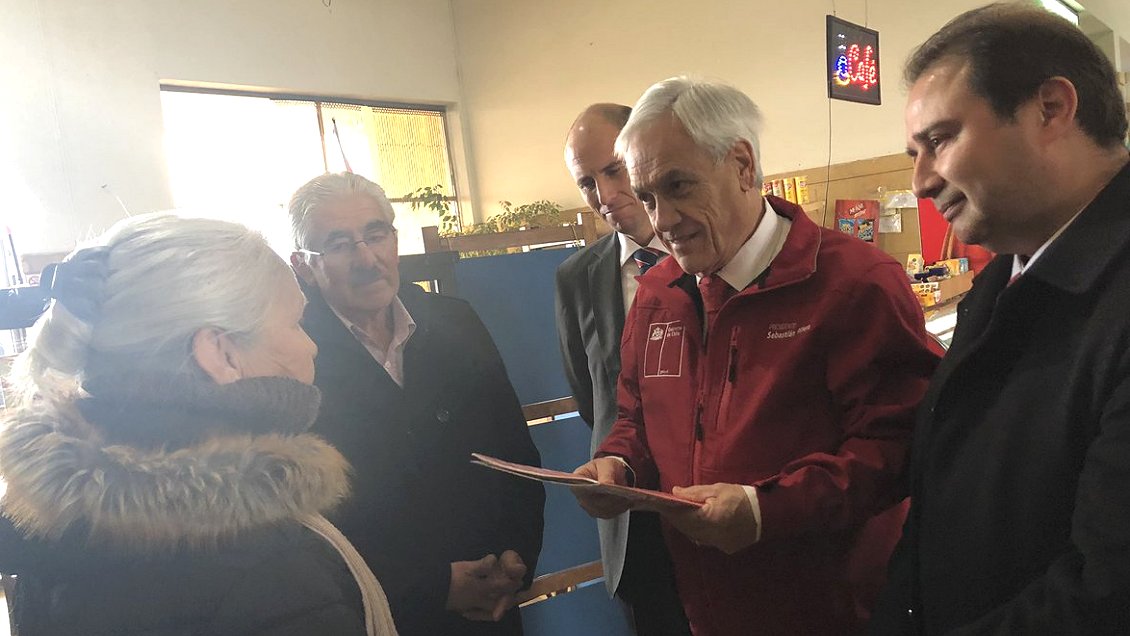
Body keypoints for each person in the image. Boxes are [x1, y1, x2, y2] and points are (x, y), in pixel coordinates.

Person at [570, 76, 939, 636]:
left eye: (678, 186)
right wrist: (617, 465)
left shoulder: (854, 283)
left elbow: (896, 448)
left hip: (838, 614)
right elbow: (635, 419)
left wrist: (766, 511)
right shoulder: (658, 294)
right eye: (647, 197)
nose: (662, 220)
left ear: (743, 165)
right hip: (706, 610)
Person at [0, 213, 397, 635]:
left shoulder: (53, 516)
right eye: (296, 322)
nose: (311, 345)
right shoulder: (268, 571)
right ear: (221, 354)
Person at [871, 4, 1130, 634]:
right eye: (913, 152)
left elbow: (1104, 594)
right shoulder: (998, 281)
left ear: (1051, 109)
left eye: (940, 140)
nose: (921, 181)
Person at [288, 172, 545, 636]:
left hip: (491, 605)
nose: (367, 259)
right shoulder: (293, 355)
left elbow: (514, 452)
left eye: (376, 235)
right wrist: (431, 587)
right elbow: (308, 521)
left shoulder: (455, 320)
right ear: (304, 266)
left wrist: (516, 559)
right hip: (378, 614)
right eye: (340, 245)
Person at [555, 103, 691, 636]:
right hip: (632, 524)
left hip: (716, 505)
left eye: (614, 170)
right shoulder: (576, 278)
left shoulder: (708, 251)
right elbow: (592, 399)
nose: (606, 195)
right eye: (587, 182)